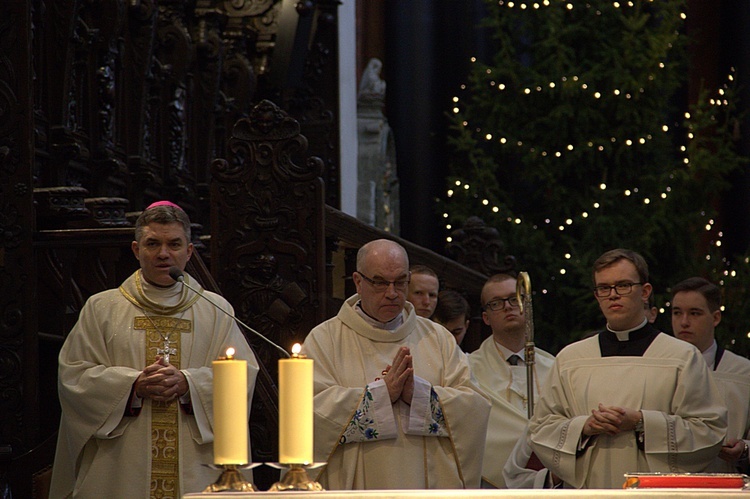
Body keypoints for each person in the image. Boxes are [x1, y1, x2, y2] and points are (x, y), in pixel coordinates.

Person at [49, 201, 260, 498]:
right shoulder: (102, 308)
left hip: (196, 467)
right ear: (136, 250)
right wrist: (132, 384)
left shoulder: (214, 309)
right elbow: (74, 378)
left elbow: (241, 376)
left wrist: (188, 382)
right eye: (153, 244)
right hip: (120, 468)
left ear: (188, 252)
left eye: (174, 244)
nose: (163, 254)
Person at [528, 248, 727, 489]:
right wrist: (584, 427)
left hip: (655, 492)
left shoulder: (682, 357)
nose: (613, 295)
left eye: (623, 285)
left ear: (645, 292)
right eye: (604, 288)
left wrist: (642, 422)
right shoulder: (571, 358)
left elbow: (709, 431)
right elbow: (541, 428)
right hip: (592, 490)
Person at [303, 239, 490, 489]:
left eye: (400, 282)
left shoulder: (438, 338)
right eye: (380, 282)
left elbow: (474, 408)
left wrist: (421, 396)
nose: (392, 292)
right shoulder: (325, 339)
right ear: (358, 282)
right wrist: (380, 396)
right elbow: (306, 413)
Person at [469, 273, 555, 488]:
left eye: (514, 298)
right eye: (496, 303)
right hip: (488, 483)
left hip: (547, 479)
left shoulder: (554, 366)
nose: (508, 307)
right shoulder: (467, 368)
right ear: (486, 317)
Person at [671, 276, 750, 472]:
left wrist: (745, 448)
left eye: (694, 313)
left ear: (715, 318)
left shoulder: (743, 372)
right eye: (677, 313)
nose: (684, 322)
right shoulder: (660, 367)